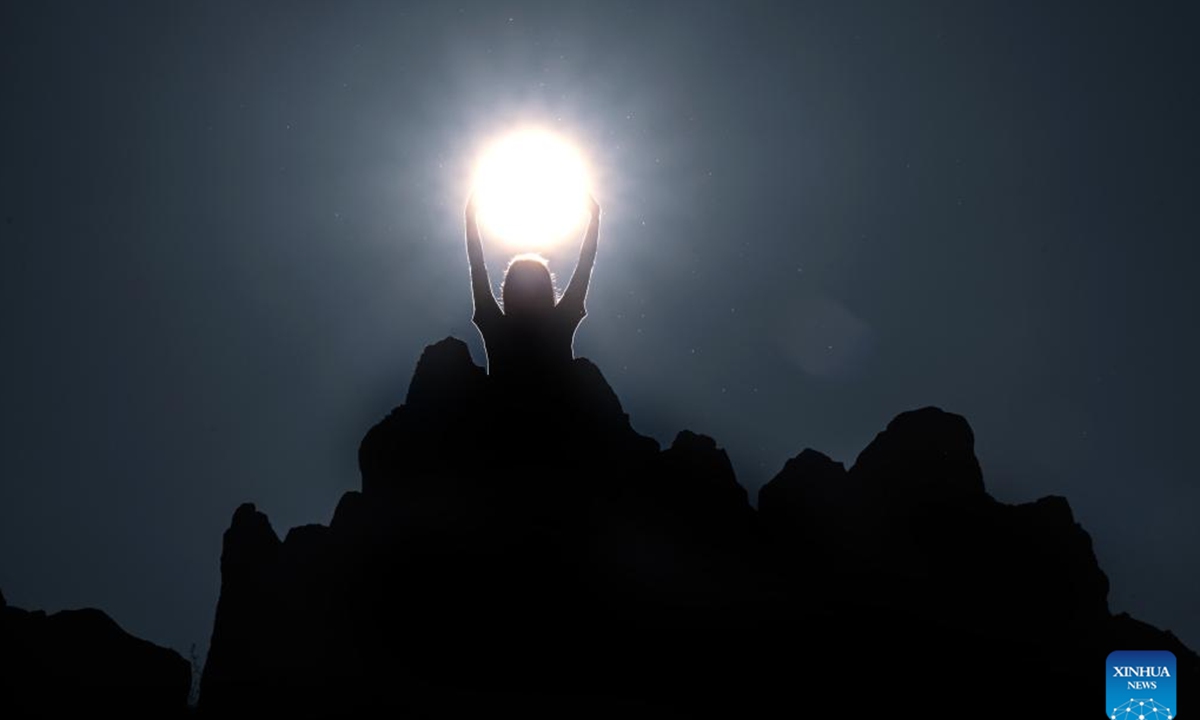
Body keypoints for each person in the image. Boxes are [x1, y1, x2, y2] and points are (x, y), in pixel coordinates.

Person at [465, 193, 600, 381]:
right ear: (547, 290)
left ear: (508, 291)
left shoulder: (495, 326)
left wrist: (470, 217)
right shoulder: (560, 323)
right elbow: (585, 265)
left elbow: (477, 267)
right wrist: (595, 217)